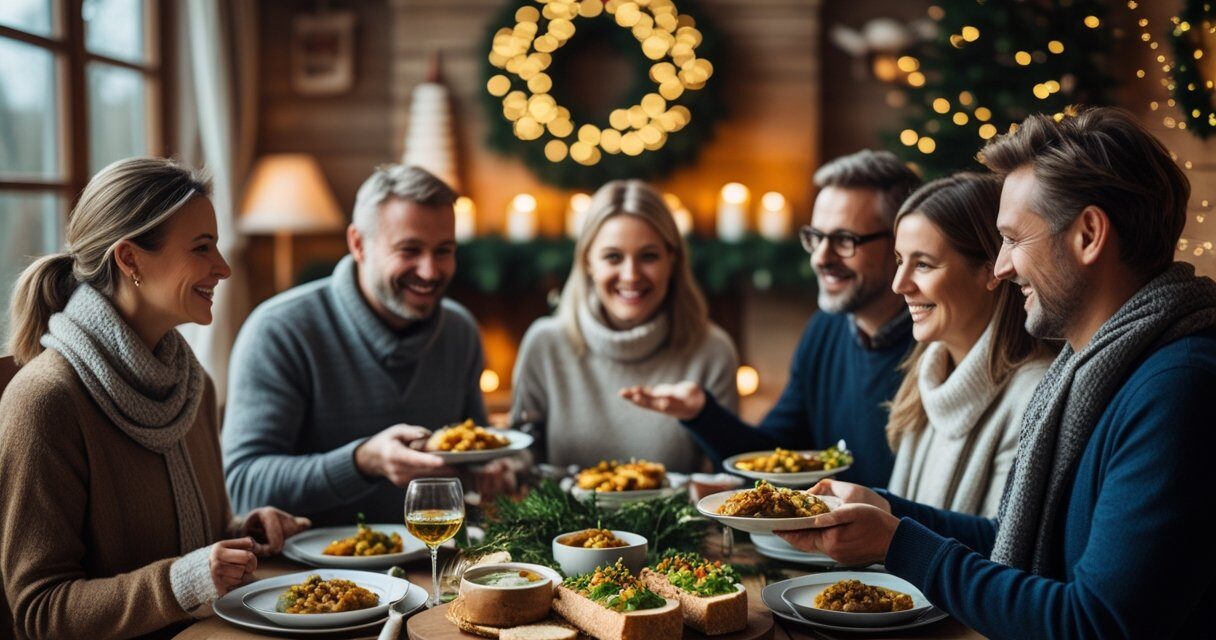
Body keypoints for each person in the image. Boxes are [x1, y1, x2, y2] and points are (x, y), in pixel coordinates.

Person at [780, 107, 1216, 639]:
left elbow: (1096, 624)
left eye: (1012, 238)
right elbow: (1017, 541)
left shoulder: (1177, 389)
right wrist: (886, 513)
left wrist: (897, 544)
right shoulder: (1093, 369)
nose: (1002, 267)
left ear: (1088, 235)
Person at [0, 158, 309, 639]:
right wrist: (180, 581)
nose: (224, 267)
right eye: (202, 247)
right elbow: (39, 612)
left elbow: (186, 551)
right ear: (130, 259)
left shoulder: (193, 384)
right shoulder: (45, 401)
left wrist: (241, 535)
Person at [622, 150, 922, 486]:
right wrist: (701, 413)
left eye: (844, 240)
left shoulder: (935, 349)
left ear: (900, 244)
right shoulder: (825, 329)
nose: (821, 258)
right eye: (816, 237)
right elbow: (772, 455)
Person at [222, 164, 491, 527]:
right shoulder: (280, 331)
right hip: (313, 562)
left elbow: (478, 455)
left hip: (438, 554)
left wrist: (496, 470)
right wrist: (362, 462)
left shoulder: (460, 330)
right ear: (359, 244)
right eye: (409, 250)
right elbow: (243, 488)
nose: (430, 271)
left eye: (443, 251)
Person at [511, 180, 738, 473]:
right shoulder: (545, 343)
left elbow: (727, 474)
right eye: (613, 257)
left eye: (648, 256)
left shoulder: (712, 351)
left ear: (672, 261)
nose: (631, 275)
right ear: (588, 262)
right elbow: (522, 456)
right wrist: (506, 468)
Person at [886, 173, 1053, 517]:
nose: (899, 284)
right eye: (901, 260)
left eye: (923, 264)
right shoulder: (925, 378)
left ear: (991, 270)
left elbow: (1002, 542)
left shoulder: (1033, 396)